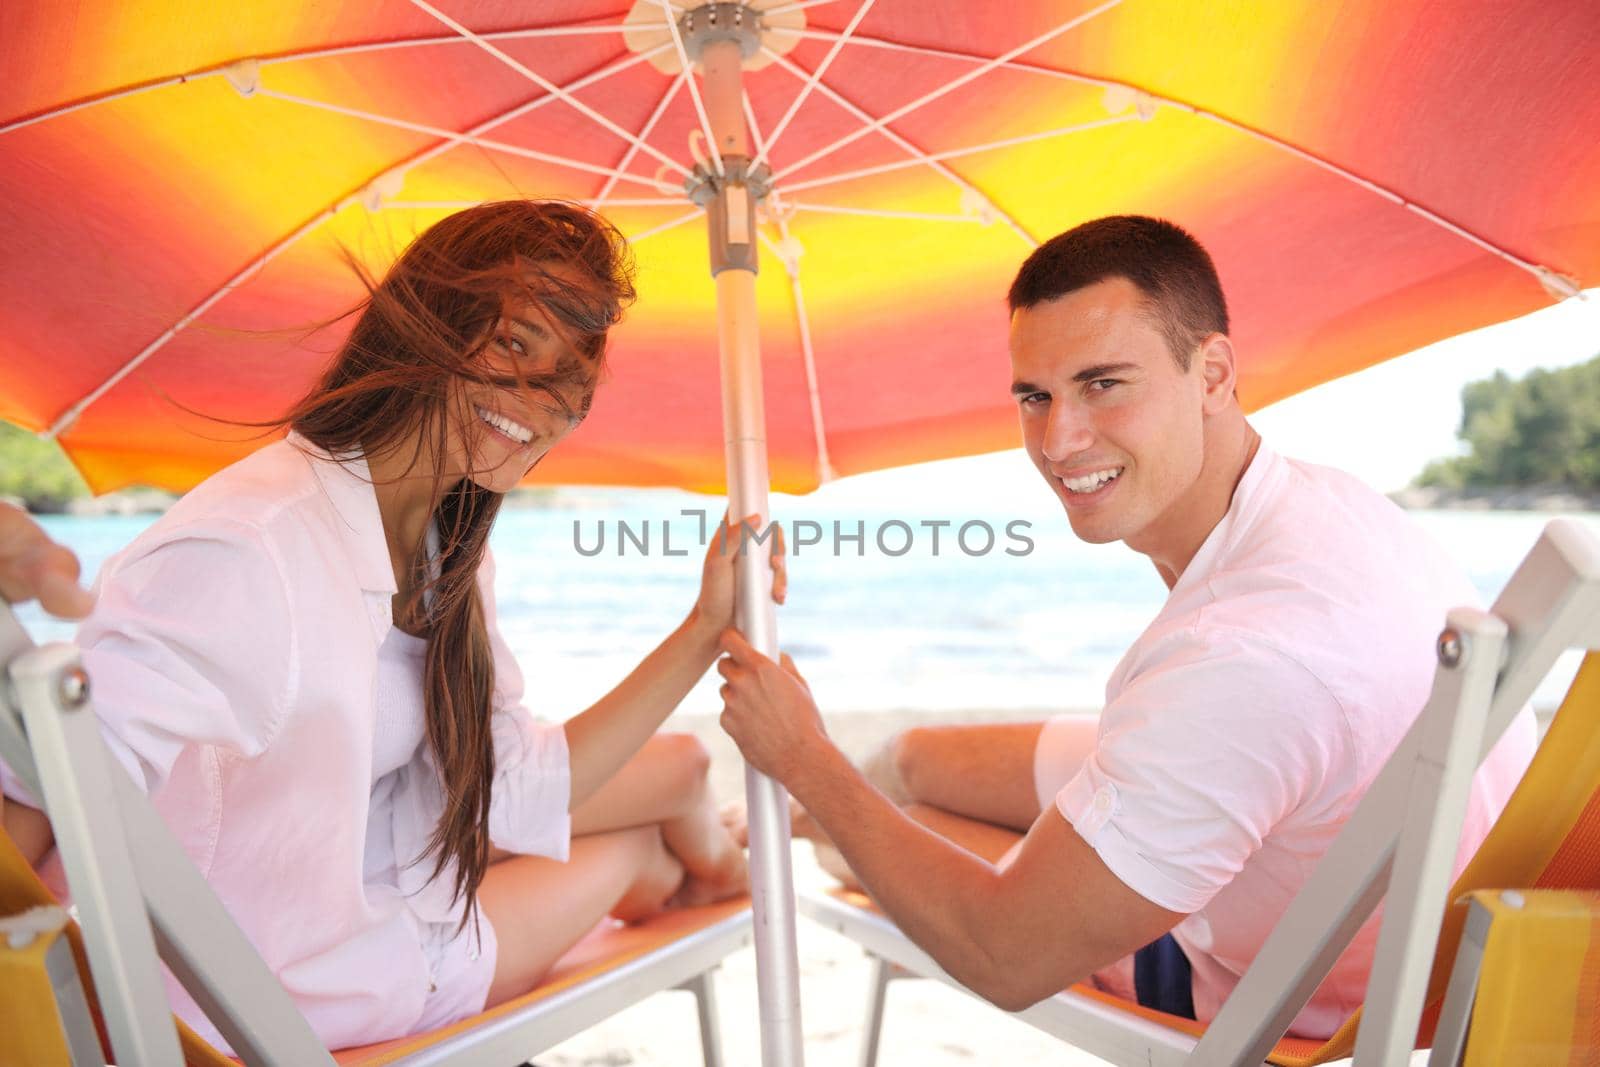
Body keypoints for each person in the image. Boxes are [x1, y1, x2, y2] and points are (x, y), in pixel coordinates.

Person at [717, 215, 1536, 1035]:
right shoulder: (1324, 507)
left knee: (891, 828)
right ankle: (771, 823)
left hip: (1290, 993)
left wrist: (802, 761)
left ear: (1213, 372)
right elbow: (1219, 722)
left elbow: (1003, 951)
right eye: (1035, 396)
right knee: (912, 758)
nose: (1059, 440)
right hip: (1361, 869)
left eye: (1103, 383)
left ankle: (781, 826)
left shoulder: (1241, 657)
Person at [0, 201, 784, 1052]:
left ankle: (689, 868)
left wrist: (710, 624)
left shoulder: (450, 551)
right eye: (516, 342)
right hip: (293, 1000)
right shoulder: (249, 547)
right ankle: (697, 870)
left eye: (571, 382)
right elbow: (51, 802)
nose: (543, 401)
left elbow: (510, 786)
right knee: (638, 842)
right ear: (427, 323)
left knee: (650, 819)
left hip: (376, 919)